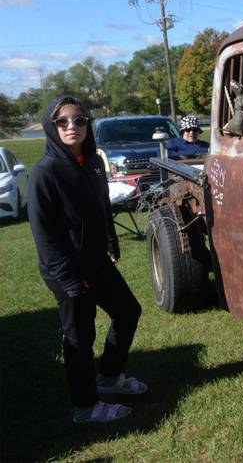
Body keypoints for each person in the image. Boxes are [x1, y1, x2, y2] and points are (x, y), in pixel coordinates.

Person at [28, 95, 147, 424]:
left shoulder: (93, 161)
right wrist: (66, 277)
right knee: (79, 338)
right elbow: (43, 232)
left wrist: (110, 240)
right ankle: (85, 407)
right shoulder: (45, 172)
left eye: (79, 120)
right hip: (67, 271)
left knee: (127, 311)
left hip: (97, 261)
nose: (72, 127)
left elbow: (101, 206)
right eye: (62, 122)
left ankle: (109, 376)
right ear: (51, 127)